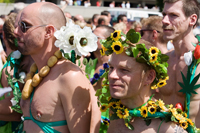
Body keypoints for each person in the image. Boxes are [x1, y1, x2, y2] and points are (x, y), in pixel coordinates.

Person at [14, 2, 100, 133]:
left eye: (24, 26)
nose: (16, 31)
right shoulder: (35, 70)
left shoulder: (69, 76)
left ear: (48, 32)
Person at [96, 29, 192, 132]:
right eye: (111, 68)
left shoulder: (166, 127)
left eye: (124, 70)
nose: (112, 76)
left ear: (149, 77)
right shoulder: (112, 112)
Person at [161, 0, 200, 129]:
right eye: (164, 14)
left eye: (173, 15)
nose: (165, 21)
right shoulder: (161, 61)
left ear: (192, 20)